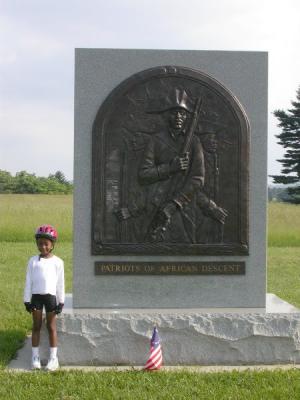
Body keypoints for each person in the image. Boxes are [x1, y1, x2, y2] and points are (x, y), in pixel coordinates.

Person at [138, 89, 205, 243]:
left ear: (187, 116)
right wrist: (170, 168)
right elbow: (143, 175)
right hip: (156, 204)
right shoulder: (155, 141)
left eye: (182, 113)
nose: (178, 117)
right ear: (166, 115)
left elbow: (198, 179)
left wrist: (175, 203)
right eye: (174, 113)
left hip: (184, 208)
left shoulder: (194, 142)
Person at [23, 225, 65, 371]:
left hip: (51, 298)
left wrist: (61, 301)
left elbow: (60, 283)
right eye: (40, 243)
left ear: (52, 244)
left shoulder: (58, 262)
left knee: (51, 327)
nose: (43, 246)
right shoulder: (33, 261)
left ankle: (54, 358)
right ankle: (35, 357)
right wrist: (26, 300)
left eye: (46, 244)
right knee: (36, 326)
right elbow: (28, 281)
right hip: (36, 298)